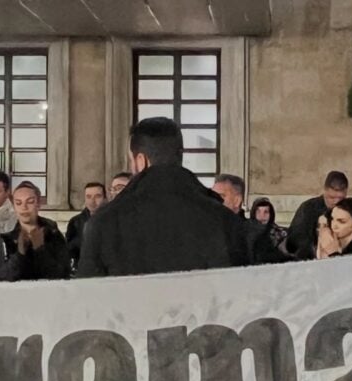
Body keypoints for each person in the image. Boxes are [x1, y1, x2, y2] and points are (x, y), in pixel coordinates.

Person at [77, 117, 247, 277]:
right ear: (180, 156)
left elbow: (89, 292)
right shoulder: (225, 220)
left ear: (141, 161)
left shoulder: (103, 222)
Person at [0, 181, 71, 281]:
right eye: (18, 203)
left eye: (30, 202)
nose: (24, 207)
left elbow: (63, 274)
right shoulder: (5, 238)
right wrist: (20, 254)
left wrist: (40, 250)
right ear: (14, 207)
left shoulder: (53, 234)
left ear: (38, 204)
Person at [214, 174, 290, 264]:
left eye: (221, 196)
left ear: (237, 200)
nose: (213, 201)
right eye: (211, 196)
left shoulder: (256, 236)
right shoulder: (207, 229)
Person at [286, 171, 349, 260]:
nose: (336, 202)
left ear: (346, 193)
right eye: (331, 197)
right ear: (325, 191)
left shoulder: (350, 210)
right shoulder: (308, 208)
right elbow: (295, 238)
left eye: (341, 198)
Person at [66, 182, 107, 272]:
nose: (92, 201)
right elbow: (69, 249)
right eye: (88, 197)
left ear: (105, 198)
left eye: (97, 196)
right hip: (84, 269)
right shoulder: (75, 222)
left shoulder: (112, 220)